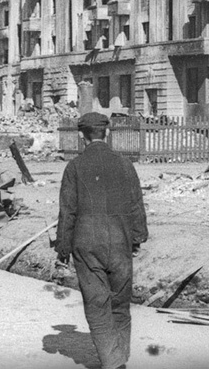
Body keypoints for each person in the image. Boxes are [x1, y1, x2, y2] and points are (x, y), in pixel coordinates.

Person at [55, 112, 147, 369]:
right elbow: (136, 204)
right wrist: (137, 237)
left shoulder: (74, 167)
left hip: (86, 243)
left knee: (97, 304)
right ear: (107, 133)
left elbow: (68, 210)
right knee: (120, 302)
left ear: (82, 137)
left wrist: (62, 247)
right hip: (120, 240)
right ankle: (119, 357)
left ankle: (113, 361)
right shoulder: (125, 164)